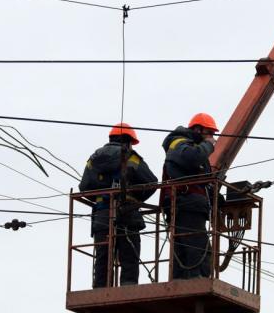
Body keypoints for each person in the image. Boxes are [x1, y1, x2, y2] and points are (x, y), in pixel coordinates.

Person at [79, 123, 157, 288]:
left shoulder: (93, 160)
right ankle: (128, 287)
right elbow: (151, 182)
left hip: (102, 215)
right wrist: (136, 198)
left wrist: (102, 197)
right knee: (129, 253)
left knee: (103, 254)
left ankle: (100, 288)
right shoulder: (130, 157)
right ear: (127, 141)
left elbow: (84, 187)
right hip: (127, 212)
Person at [161, 112, 218, 279]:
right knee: (198, 248)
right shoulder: (179, 143)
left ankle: (182, 280)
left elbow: (203, 180)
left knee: (187, 246)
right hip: (186, 204)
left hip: (190, 204)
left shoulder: (192, 147)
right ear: (198, 129)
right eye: (210, 133)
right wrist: (208, 145)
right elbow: (191, 158)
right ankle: (196, 280)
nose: (212, 138)